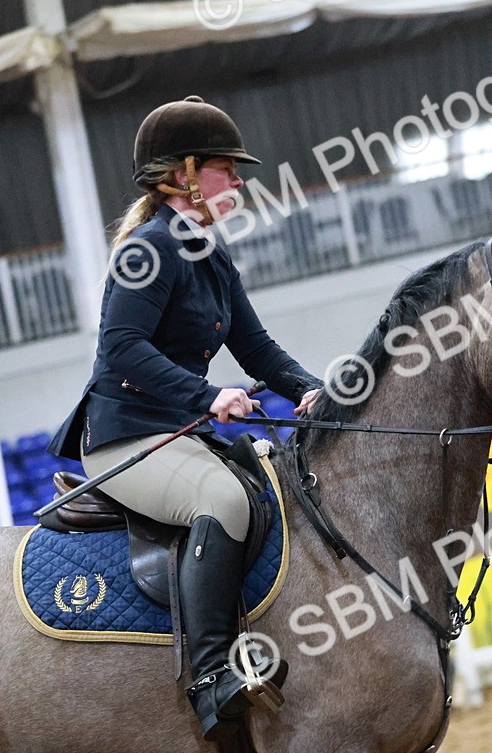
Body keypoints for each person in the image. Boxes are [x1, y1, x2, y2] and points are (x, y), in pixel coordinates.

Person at [47, 96, 323, 740]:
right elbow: (121, 348)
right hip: (125, 439)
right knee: (223, 500)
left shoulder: (210, 255)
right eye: (228, 169)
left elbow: (256, 348)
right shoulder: (147, 250)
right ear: (185, 175)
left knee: (269, 484)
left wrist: (314, 390)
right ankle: (210, 678)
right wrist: (207, 396)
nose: (240, 182)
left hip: (177, 433)